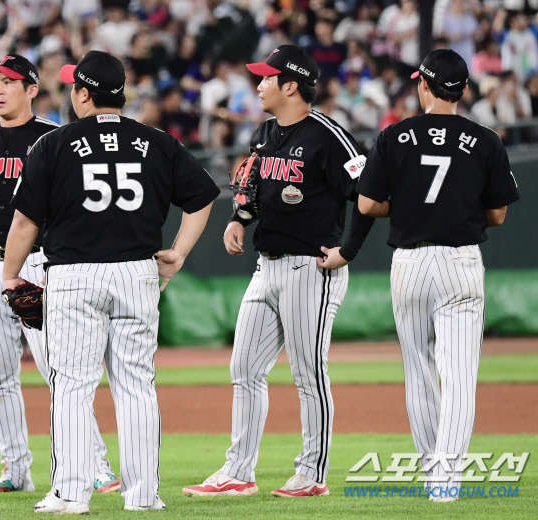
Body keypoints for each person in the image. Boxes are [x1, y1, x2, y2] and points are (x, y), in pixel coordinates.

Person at [1, 50, 220, 514]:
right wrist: (178, 252)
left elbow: (24, 223)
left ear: (83, 93)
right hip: (137, 274)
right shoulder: (157, 141)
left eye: (72, 88)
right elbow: (202, 198)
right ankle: (143, 496)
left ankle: (70, 494)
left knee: (74, 386)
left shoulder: (55, 144)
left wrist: (9, 274)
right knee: (137, 386)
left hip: (75, 275)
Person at [183, 45, 375, 499]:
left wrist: (349, 250)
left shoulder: (328, 134)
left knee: (309, 373)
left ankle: (311, 474)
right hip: (264, 267)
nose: (259, 84)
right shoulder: (266, 131)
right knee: (244, 368)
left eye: (267, 77)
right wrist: (238, 219)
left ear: (291, 85)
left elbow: (369, 193)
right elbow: (251, 184)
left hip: (312, 268)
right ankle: (239, 472)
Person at [0, 54, 119, 495]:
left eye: (9, 82)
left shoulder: (58, 138)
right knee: (0, 375)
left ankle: (96, 465)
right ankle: (15, 470)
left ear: (32, 89)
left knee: (61, 371)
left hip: (39, 264)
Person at [356, 49, 520, 502]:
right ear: (463, 91)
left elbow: (367, 205)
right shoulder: (485, 139)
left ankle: (431, 469)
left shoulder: (394, 135)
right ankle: (446, 481)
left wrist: (407, 207)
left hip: (409, 262)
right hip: (460, 260)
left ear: (422, 86)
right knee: (460, 375)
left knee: (419, 371)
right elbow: (499, 215)